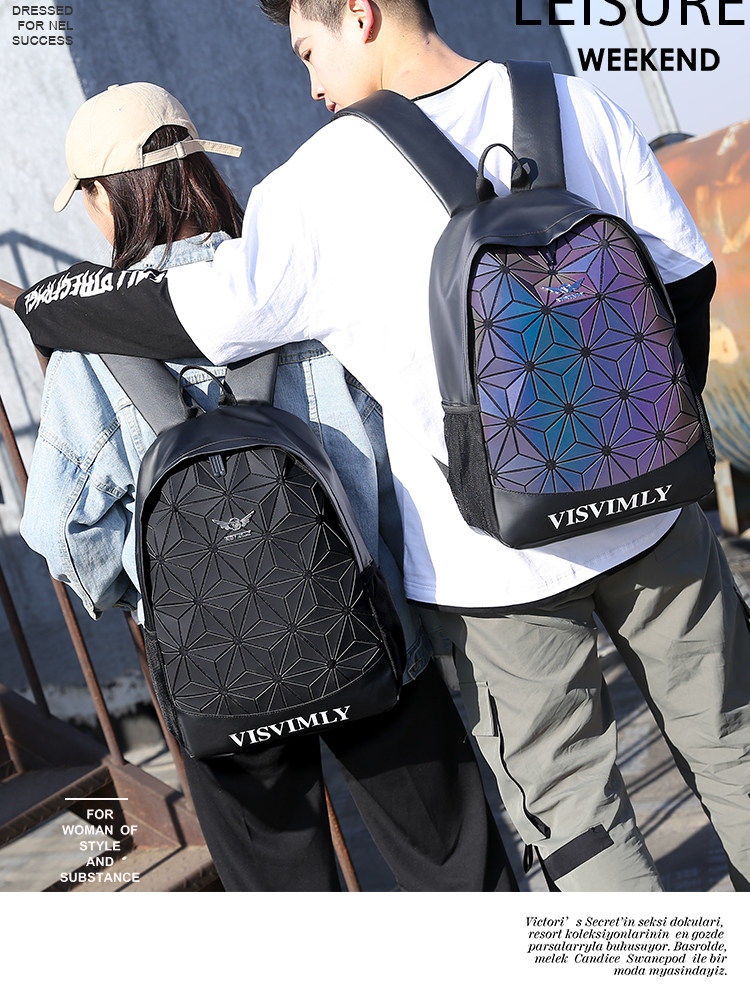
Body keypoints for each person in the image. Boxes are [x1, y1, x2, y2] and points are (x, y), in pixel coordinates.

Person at [11, 0, 750, 892]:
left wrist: (49, 305)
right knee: (736, 743)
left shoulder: (319, 184)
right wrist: (647, 449)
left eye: (308, 52)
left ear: (357, 14)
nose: (311, 84)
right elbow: (685, 281)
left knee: (574, 815)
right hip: (654, 516)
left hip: (491, 567)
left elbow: (201, 317)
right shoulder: (573, 101)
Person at [15, 81, 517, 893]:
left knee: (282, 899)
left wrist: (155, 592)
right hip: (368, 624)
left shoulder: (89, 344)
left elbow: (57, 529)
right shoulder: (290, 275)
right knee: (453, 865)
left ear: (108, 199)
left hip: (214, 665)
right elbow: (396, 444)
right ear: (200, 171)